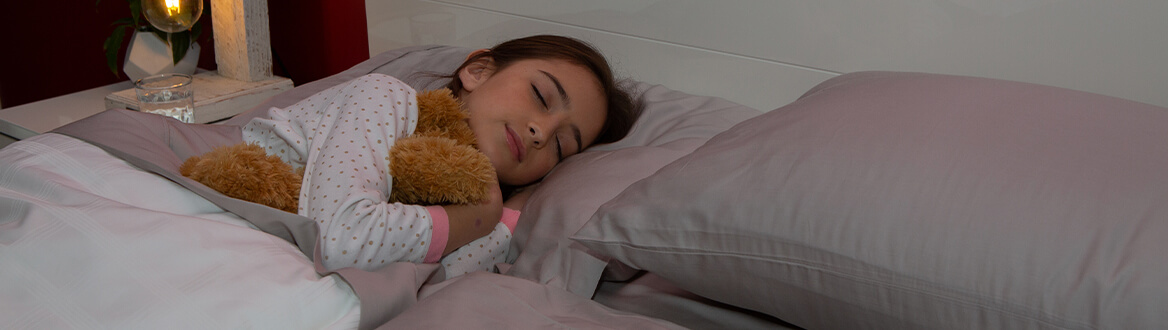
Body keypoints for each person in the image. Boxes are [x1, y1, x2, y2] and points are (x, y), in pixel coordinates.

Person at [240, 35, 641, 278]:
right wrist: (477, 218)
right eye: (540, 96)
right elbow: (341, 243)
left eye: (561, 146)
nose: (541, 132)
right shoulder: (383, 97)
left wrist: (507, 219)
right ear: (479, 70)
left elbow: (429, 280)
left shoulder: (468, 193)